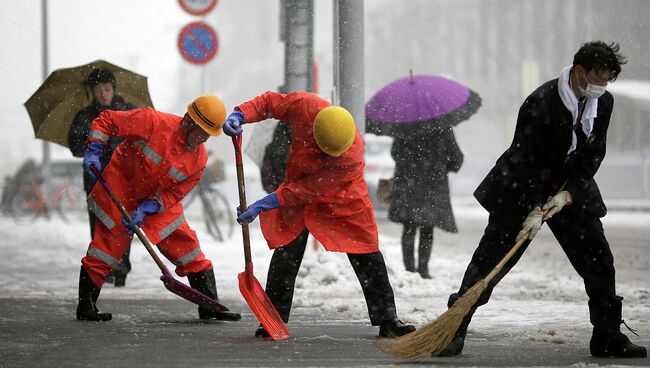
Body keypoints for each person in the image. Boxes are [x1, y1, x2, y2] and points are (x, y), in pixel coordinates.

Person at [439, 41, 646, 358]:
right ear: (579, 71)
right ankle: (453, 329)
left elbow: (594, 153)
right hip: (520, 186)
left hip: (568, 188)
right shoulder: (541, 101)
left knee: (599, 260)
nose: (602, 87)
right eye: (598, 78)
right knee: (492, 261)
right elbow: (526, 159)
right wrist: (535, 206)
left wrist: (569, 193)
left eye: (608, 80)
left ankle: (607, 336)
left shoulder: (603, 103)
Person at [222, 91, 416, 338]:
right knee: (287, 251)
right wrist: (241, 114)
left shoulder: (349, 155)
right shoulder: (305, 106)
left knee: (366, 252)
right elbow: (270, 103)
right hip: (300, 185)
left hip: (344, 198)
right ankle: (272, 320)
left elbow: (305, 191)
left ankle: (388, 319)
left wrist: (263, 204)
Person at [76, 95, 241, 322]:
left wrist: (152, 206)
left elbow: (176, 192)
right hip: (120, 191)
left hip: (156, 203)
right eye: (202, 132)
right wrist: (94, 147)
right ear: (189, 121)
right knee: (105, 251)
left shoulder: (199, 159)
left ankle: (209, 305)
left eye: (208, 136)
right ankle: (86, 307)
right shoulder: (152, 121)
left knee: (189, 249)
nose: (203, 139)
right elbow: (107, 120)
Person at [68, 68, 136, 286]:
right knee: (99, 224)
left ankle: (121, 267)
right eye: (98, 90)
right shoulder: (85, 116)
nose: (104, 94)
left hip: (124, 178)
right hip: (96, 180)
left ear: (114, 89)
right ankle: (102, 268)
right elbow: (75, 146)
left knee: (123, 222)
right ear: (92, 92)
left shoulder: (128, 111)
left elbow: (142, 140)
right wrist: (93, 145)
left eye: (107, 89)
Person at [388, 128, 463, 279]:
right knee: (427, 229)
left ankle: (409, 269)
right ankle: (423, 269)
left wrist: (410, 164)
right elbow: (457, 158)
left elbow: (395, 153)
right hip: (433, 185)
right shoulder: (442, 128)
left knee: (409, 227)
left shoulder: (407, 125)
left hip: (409, 183)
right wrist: (441, 166)